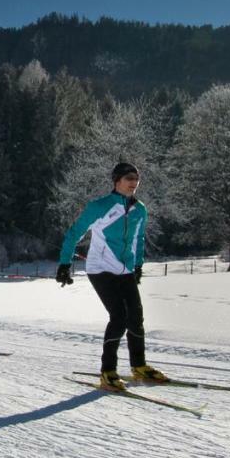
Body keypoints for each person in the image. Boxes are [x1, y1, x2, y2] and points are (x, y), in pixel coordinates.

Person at [57, 162, 166, 390]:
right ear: (117, 181)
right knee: (119, 317)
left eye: (136, 179)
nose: (133, 183)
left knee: (136, 317)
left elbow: (139, 239)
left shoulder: (140, 209)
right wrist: (65, 264)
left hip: (124, 269)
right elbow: (75, 232)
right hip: (100, 269)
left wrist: (137, 266)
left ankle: (139, 366)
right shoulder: (100, 207)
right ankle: (108, 371)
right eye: (129, 179)